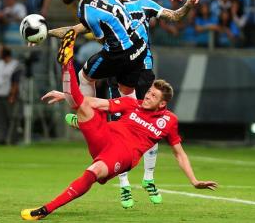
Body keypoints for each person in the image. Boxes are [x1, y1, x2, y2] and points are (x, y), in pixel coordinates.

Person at [20, 30, 217, 220]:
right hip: (105, 134)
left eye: (153, 96)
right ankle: (67, 63)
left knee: (93, 172)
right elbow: (96, 102)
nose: (147, 96)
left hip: (123, 154)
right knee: (81, 105)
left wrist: (194, 180)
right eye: (148, 92)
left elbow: (179, 153)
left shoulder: (169, 121)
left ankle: (45, 210)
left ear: (163, 103)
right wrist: (65, 96)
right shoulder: (132, 103)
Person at [50, 0, 200, 208]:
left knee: (150, 125)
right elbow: (73, 29)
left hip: (142, 68)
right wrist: (46, 32)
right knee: (119, 124)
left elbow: (174, 15)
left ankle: (148, 178)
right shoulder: (106, 13)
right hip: (118, 66)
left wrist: (187, 4)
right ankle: (124, 186)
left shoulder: (143, 5)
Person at [49, 0, 185, 100]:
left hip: (121, 54)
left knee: (84, 76)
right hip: (139, 48)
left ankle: (87, 118)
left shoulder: (87, 12)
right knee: (126, 97)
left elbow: (101, 40)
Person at [0, 45, 22, 145]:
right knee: (1, 119)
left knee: (13, 119)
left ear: (4, 54)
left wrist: (12, 96)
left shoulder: (15, 65)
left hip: (9, 95)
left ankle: (12, 140)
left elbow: (15, 82)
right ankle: (2, 139)